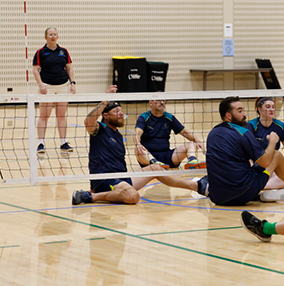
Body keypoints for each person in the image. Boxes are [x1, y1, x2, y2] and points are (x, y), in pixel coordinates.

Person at [71, 86, 202, 205]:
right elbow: (88, 121)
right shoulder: (99, 129)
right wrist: (105, 100)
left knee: (156, 168)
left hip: (122, 177)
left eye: (121, 111)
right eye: (117, 112)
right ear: (105, 115)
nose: (121, 114)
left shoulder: (118, 134)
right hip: (105, 179)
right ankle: (89, 196)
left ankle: (198, 186)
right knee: (133, 196)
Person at [203, 96, 284, 205]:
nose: (245, 114)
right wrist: (272, 142)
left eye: (244, 110)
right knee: (276, 155)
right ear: (229, 115)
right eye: (240, 111)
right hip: (243, 192)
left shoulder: (212, 133)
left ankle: (262, 195)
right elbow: (265, 162)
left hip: (217, 197)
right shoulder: (244, 131)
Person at [33, 27, 76, 153]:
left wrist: (72, 83)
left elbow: (69, 68)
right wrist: (41, 85)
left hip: (63, 87)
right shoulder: (40, 52)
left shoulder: (64, 51)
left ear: (57, 37)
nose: (53, 36)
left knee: (61, 115)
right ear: (45, 37)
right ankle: (41, 143)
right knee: (44, 115)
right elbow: (35, 70)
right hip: (47, 87)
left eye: (55, 34)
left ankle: (63, 142)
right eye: (50, 34)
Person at [134, 99, 206, 169]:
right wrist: (138, 143)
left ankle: (192, 162)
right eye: (159, 100)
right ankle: (155, 163)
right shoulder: (144, 117)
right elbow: (137, 134)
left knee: (192, 144)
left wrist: (197, 141)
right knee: (137, 149)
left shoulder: (169, 117)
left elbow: (185, 132)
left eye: (164, 100)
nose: (162, 102)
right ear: (150, 102)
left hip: (167, 156)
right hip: (148, 156)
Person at [248, 97, 284, 164]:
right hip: (256, 162)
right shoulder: (251, 126)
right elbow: (247, 151)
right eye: (268, 107)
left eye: (273, 107)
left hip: (273, 162)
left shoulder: (281, 126)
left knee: (276, 154)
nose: (271, 110)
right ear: (259, 109)